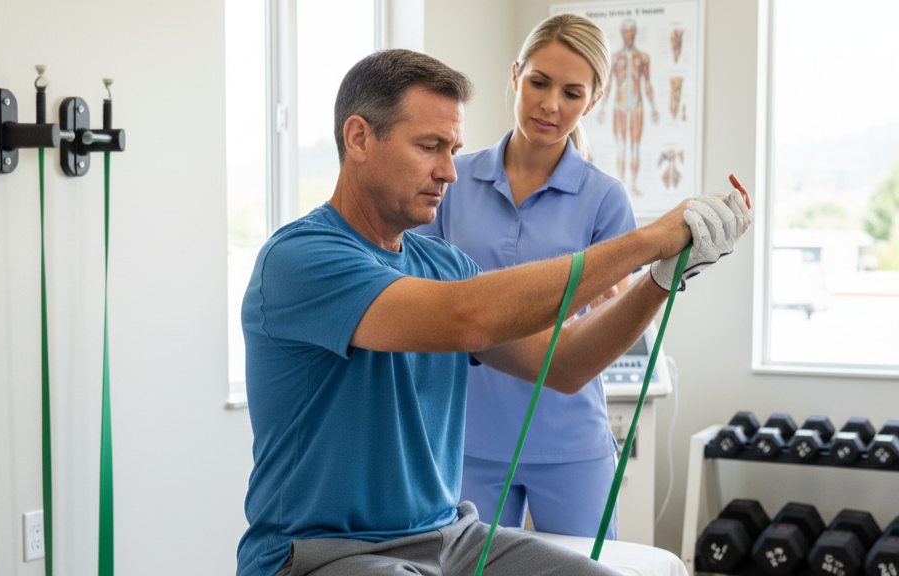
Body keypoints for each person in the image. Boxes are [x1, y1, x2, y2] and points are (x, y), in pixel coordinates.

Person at [236, 48, 751, 576]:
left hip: (448, 536)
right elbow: (468, 317)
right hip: (323, 551)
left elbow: (566, 364)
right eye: (430, 147)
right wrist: (648, 240)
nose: (449, 172)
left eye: (453, 148)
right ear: (359, 137)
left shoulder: (444, 263)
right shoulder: (300, 259)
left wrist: (661, 278)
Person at [412, 13, 633, 538]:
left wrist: (611, 305)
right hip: (466, 437)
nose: (550, 105)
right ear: (515, 76)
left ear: (593, 101)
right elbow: (420, 296)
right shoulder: (453, 179)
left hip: (571, 442)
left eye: (572, 93)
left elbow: (616, 323)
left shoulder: (605, 200)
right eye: (539, 82)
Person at [597, 18, 659, 196]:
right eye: (627, 32)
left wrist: (654, 107)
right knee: (621, 147)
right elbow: (608, 84)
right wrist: (601, 108)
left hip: (637, 106)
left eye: (632, 32)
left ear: (635, 34)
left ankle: (633, 185)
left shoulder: (643, 58)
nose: (629, 36)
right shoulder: (615, 58)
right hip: (620, 106)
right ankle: (622, 186)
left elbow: (647, 83)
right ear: (623, 35)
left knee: (635, 147)